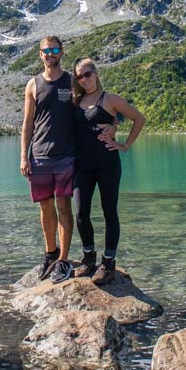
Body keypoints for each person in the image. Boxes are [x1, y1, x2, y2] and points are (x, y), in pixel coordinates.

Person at [20, 36, 115, 283]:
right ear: (40, 54)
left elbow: (99, 103)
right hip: (39, 155)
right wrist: (24, 156)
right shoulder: (33, 84)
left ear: (61, 53)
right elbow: (27, 123)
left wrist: (113, 125)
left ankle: (63, 259)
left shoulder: (72, 81)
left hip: (66, 157)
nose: (50, 54)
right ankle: (49, 254)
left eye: (54, 50)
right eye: (45, 50)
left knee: (64, 207)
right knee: (45, 208)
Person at [70, 57, 145, 285]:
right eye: (79, 76)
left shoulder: (109, 99)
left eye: (88, 74)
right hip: (82, 165)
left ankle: (108, 262)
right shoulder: (76, 100)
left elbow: (139, 119)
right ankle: (89, 257)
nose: (84, 79)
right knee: (81, 213)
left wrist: (124, 145)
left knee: (109, 211)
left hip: (107, 164)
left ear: (96, 73)